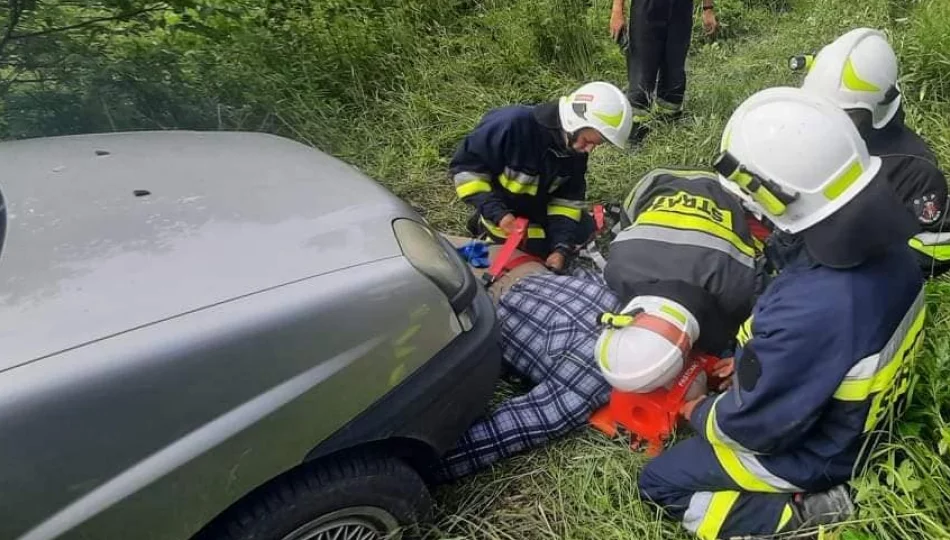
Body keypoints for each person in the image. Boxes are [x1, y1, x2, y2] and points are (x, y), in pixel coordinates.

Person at [637, 86, 926, 539]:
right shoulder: (887, 244)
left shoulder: (814, 306)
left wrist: (699, 411)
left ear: (773, 195)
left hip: (824, 452)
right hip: (869, 417)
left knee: (659, 482)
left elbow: (754, 429)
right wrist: (755, 361)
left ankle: (805, 516)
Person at [430, 167, 764, 483]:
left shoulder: (623, 301)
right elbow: (507, 430)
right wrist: (419, 468)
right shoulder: (583, 388)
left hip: (506, 260)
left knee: (410, 240)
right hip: (466, 303)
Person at [800, 27, 950, 276]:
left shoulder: (913, 169)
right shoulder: (811, 133)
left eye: (847, 115)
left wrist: (866, 269)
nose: (832, 122)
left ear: (878, 107)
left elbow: (937, 246)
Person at [449, 81, 634, 271]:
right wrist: (499, 215)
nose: (588, 149)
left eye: (595, 145)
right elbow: (466, 171)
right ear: (575, 121)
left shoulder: (574, 152)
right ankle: (483, 228)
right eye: (588, 141)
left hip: (536, 217)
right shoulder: (511, 125)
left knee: (581, 232)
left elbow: (567, 203)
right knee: (506, 264)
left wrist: (560, 248)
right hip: (504, 221)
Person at [609, 0, 718, 136]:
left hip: (680, 9)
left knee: (674, 71)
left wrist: (707, 9)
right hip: (646, 9)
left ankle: (669, 123)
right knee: (641, 73)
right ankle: (635, 131)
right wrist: (617, 10)